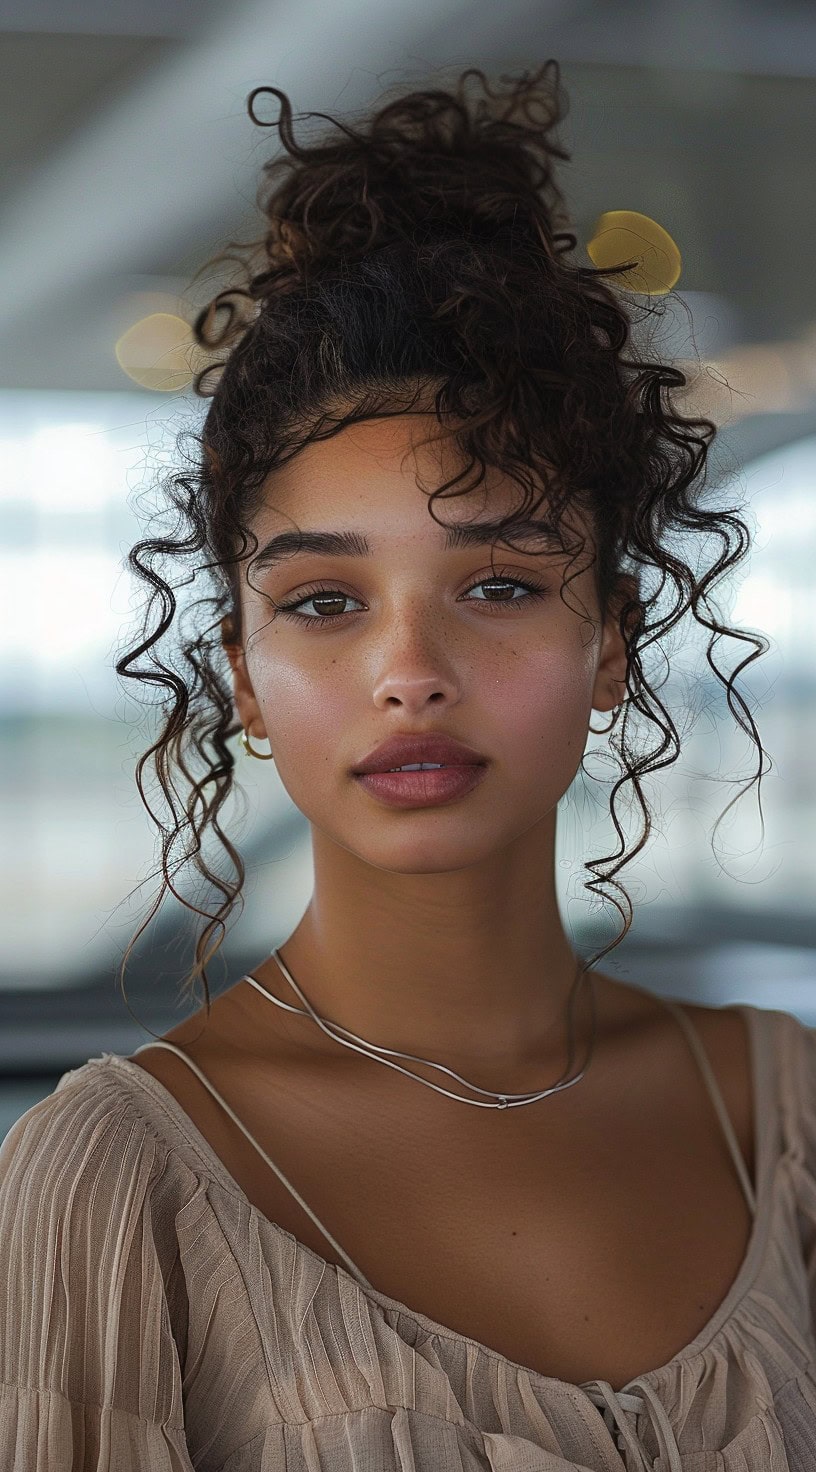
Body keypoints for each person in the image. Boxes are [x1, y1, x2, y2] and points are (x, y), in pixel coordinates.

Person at [1, 60, 814, 1471]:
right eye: (325, 603)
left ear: (612, 641)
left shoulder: (785, 1109)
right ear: (245, 674)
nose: (409, 670)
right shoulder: (113, 1181)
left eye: (499, 585)